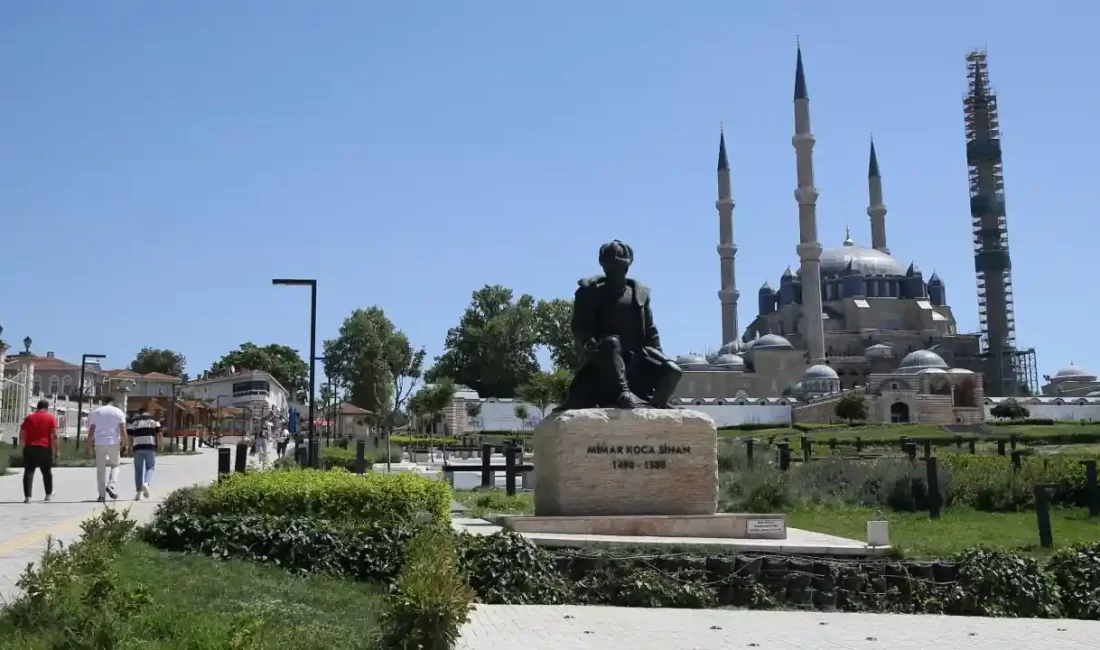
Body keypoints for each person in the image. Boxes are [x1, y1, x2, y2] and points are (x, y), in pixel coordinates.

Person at [85, 396, 128, 502]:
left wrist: (88, 446)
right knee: (115, 465)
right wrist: (125, 444)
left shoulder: (96, 412)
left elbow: (91, 432)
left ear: (103, 402)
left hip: (99, 442)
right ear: (112, 402)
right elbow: (123, 430)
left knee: (100, 469)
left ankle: (101, 496)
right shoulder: (118, 412)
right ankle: (111, 484)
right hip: (113, 442)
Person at [20, 400, 58, 504]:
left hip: (30, 447)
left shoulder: (29, 418)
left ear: (37, 407)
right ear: (47, 408)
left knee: (29, 471)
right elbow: (55, 435)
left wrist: (22, 447)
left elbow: (22, 433)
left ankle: (28, 497)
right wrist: (56, 450)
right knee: (46, 471)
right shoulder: (51, 418)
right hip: (45, 448)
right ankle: (48, 494)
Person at [127, 407, 162, 500]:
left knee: (138, 470)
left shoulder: (133, 421)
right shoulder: (154, 420)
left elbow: (130, 435)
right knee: (150, 467)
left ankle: (138, 493)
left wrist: (129, 447)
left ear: (139, 413)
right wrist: (160, 445)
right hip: (150, 447)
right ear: (148, 412)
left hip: (137, 447)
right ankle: (146, 484)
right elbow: (159, 433)